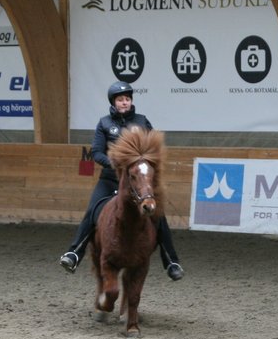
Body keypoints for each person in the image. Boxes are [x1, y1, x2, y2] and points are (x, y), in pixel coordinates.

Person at [59, 81, 185, 281]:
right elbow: (97, 152)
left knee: (158, 216)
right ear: (113, 102)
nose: (124, 102)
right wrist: (114, 164)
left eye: (127, 99)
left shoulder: (142, 121)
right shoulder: (104, 123)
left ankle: (171, 261)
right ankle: (74, 253)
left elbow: (153, 149)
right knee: (92, 211)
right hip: (110, 179)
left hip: (138, 182)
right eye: (120, 100)